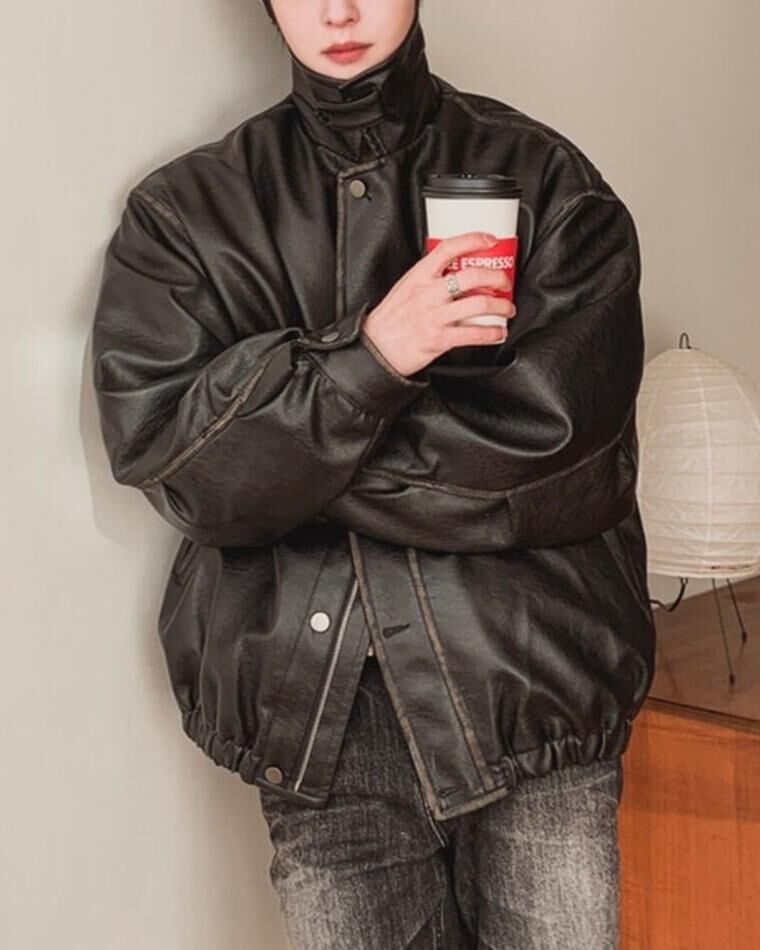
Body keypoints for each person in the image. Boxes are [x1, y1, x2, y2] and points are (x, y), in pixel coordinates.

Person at [90, 0, 656, 946]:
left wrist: (288, 457)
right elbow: (178, 466)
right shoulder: (186, 215)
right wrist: (375, 357)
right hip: (320, 729)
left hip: (535, 697)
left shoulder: (549, 182)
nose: (340, 10)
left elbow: (560, 460)